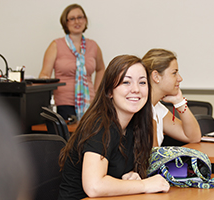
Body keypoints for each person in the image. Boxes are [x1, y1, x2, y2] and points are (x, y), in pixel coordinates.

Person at [57, 55, 170, 199]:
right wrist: (144, 185)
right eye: (126, 82)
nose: (136, 89)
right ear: (110, 91)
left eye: (142, 82)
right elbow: (94, 186)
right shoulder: (100, 125)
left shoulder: (134, 126)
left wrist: (129, 178)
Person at [39, 4, 105, 120]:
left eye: (80, 17)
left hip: (89, 104)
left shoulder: (93, 46)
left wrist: (96, 93)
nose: (77, 22)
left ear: (85, 20)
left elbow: (101, 69)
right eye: (72, 19)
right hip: (63, 104)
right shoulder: (56, 45)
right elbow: (44, 74)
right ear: (65, 22)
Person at [142, 48, 201, 146]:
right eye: (174, 73)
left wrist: (180, 102)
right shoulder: (141, 109)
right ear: (156, 76)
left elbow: (193, 137)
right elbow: (153, 158)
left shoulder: (157, 108)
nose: (180, 78)